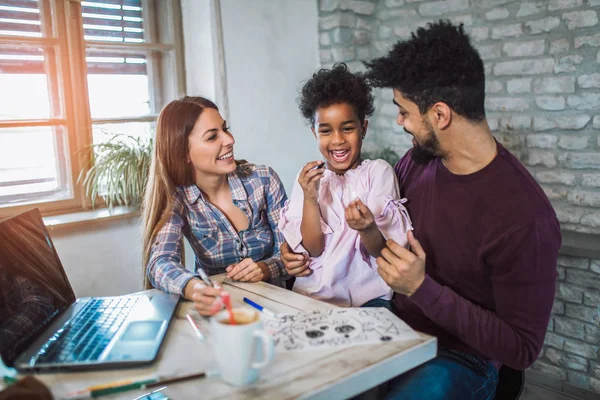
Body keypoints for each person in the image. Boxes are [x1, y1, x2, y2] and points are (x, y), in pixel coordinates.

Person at [282, 21, 561, 399]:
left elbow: (522, 348)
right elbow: (367, 241)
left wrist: (420, 288)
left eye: (404, 111)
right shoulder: (417, 162)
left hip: (459, 358)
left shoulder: (525, 218)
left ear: (440, 115)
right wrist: (295, 256)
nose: (399, 122)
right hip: (389, 328)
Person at [278, 63, 412, 308]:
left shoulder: (378, 172)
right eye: (326, 131)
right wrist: (310, 198)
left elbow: (379, 252)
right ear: (314, 134)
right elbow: (314, 250)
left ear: (364, 128)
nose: (338, 140)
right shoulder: (309, 177)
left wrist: (368, 227)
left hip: (369, 300)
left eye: (348, 128)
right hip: (313, 296)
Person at [142, 96, 288, 316]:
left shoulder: (264, 180)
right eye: (212, 137)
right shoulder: (177, 199)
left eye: (225, 129)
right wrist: (196, 288)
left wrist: (267, 268)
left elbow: (293, 254)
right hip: (220, 312)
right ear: (183, 153)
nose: (229, 140)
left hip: (278, 308)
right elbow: (159, 263)